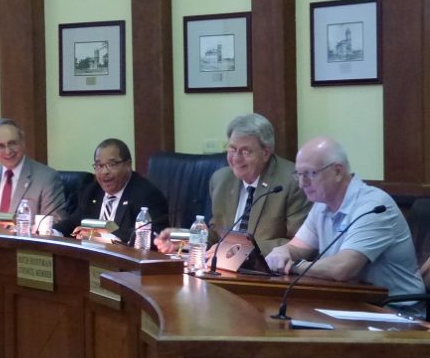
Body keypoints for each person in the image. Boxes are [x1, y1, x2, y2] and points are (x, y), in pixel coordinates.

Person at [265, 137, 425, 315]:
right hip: (352, 303)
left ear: (338, 171)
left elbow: (342, 268)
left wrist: (294, 266)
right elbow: (298, 246)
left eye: (310, 174)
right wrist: (283, 252)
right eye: (299, 175)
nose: (302, 184)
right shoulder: (321, 204)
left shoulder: (374, 206)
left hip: (396, 310)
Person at [156, 113, 310, 255]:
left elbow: (301, 244)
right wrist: (184, 239)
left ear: (265, 153)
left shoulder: (291, 182)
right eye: (232, 149)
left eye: (245, 151)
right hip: (225, 270)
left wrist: (239, 249)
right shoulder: (221, 180)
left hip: (267, 275)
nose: (236, 158)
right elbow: (216, 235)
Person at [54, 138, 169, 245]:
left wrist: (105, 236)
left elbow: (154, 236)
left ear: (128, 165)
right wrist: (52, 231)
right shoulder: (91, 191)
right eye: (99, 165)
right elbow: (73, 221)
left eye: (112, 164)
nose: (105, 172)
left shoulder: (146, 195)